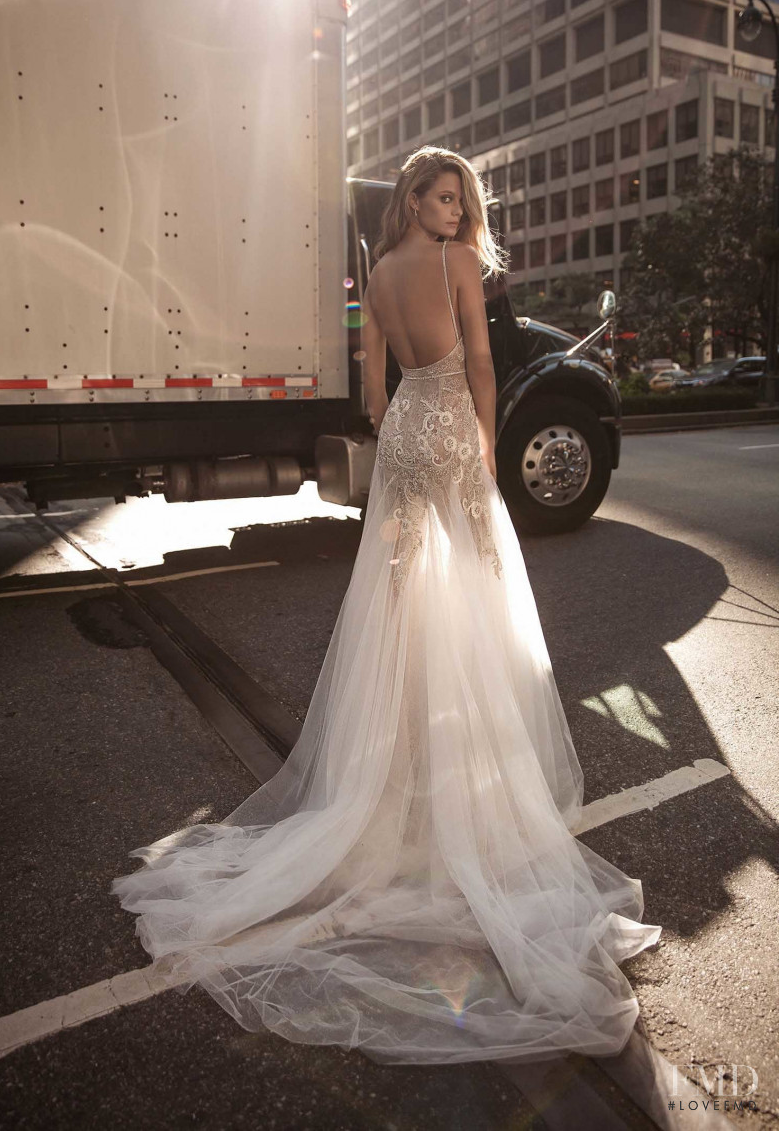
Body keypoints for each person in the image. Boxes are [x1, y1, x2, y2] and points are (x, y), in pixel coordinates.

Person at [111, 146, 661, 1065]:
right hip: (447, 429)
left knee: (401, 601)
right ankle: (453, 797)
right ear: (416, 198)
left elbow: (373, 373)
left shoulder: (383, 266)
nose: (457, 213)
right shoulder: (449, 265)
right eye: (446, 197)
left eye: (463, 201)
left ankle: (393, 781)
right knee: (475, 600)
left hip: (405, 428)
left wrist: (389, 414)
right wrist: (486, 447)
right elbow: (482, 363)